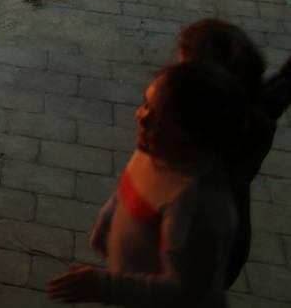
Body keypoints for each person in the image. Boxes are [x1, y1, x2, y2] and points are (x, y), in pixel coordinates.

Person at [47, 62, 244, 306]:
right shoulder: (154, 150)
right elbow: (129, 186)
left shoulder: (195, 203)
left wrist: (103, 286)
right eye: (146, 104)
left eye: (159, 119)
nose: (141, 117)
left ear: (194, 138)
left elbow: (185, 291)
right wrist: (108, 217)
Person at [176, 19, 291, 288]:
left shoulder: (199, 133)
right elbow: (287, 79)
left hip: (196, 249)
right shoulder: (260, 107)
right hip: (233, 239)